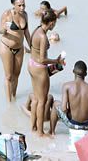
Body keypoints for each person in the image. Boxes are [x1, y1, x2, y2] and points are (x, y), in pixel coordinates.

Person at [28, 9, 64, 137]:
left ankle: (33, 127)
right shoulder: (43, 36)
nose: (54, 26)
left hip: (31, 64)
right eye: (54, 23)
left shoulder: (37, 29)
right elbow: (43, 59)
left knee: (36, 100)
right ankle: (40, 132)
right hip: (39, 68)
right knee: (42, 101)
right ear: (51, 23)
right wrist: (56, 60)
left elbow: (34, 49)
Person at [0, 0, 31, 102]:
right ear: (14, 5)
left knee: (16, 75)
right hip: (6, 47)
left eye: (24, 5)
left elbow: (26, 32)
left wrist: (32, 47)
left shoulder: (25, 15)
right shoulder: (7, 14)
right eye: (20, 5)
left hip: (19, 48)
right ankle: (9, 103)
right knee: (8, 76)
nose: (22, 8)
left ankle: (14, 97)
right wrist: (4, 28)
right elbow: (0, 30)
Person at [51, 60, 88, 133]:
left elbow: (64, 109)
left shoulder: (66, 86)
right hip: (87, 125)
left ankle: (51, 132)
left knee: (55, 104)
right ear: (85, 73)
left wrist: (70, 113)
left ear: (73, 71)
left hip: (72, 123)